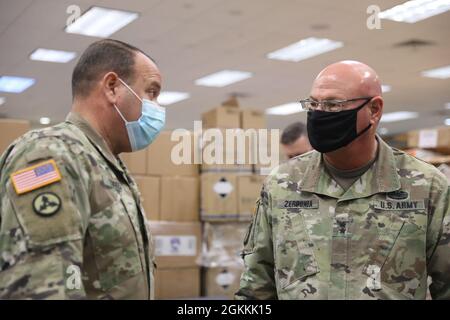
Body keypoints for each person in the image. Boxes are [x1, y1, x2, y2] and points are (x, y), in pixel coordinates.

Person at [235, 60, 450, 300]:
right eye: (313, 103)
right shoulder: (282, 184)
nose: (319, 113)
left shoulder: (427, 187)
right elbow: (256, 288)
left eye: (333, 105)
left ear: (374, 110)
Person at [0, 39, 165, 299]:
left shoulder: (106, 164)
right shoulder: (50, 155)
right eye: (152, 92)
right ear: (112, 88)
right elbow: (41, 288)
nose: (157, 106)